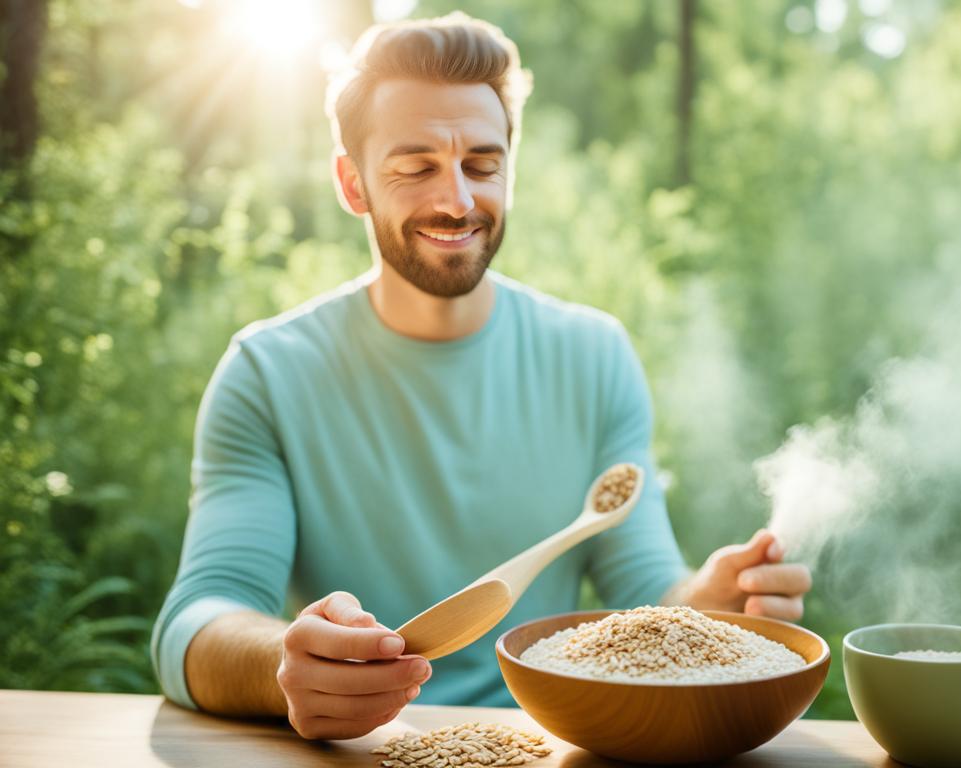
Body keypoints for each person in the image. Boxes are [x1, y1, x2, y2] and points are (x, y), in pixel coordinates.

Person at [150, 12, 812, 741]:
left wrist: (708, 606)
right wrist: (287, 664)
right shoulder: (268, 374)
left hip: (555, 748)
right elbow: (197, 620)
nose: (458, 200)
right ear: (353, 182)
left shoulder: (592, 356)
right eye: (416, 166)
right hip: (361, 752)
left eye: (483, 164)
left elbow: (646, 593)